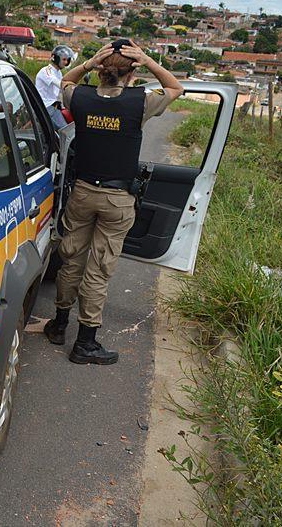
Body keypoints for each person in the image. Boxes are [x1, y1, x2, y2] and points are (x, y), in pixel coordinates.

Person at [43, 39, 184, 364]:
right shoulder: (140, 102)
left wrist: (89, 63)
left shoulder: (82, 96)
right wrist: (147, 59)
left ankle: (59, 326)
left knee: (72, 259)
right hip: (117, 199)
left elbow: (66, 82)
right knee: (99, 269)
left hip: (81, 193)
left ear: (102, 70)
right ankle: (86, 343)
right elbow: (174, 87)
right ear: (131, 72)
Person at [35, 45, 75, 130]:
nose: (66, 62)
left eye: (67, 60)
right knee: (66, 131)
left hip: (55, 106)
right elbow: (59, 84)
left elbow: (61, 91)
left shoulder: (58, 72)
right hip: (47, 107)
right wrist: (74, 88)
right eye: (64, 59)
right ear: (55, 58)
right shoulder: (46, 71)